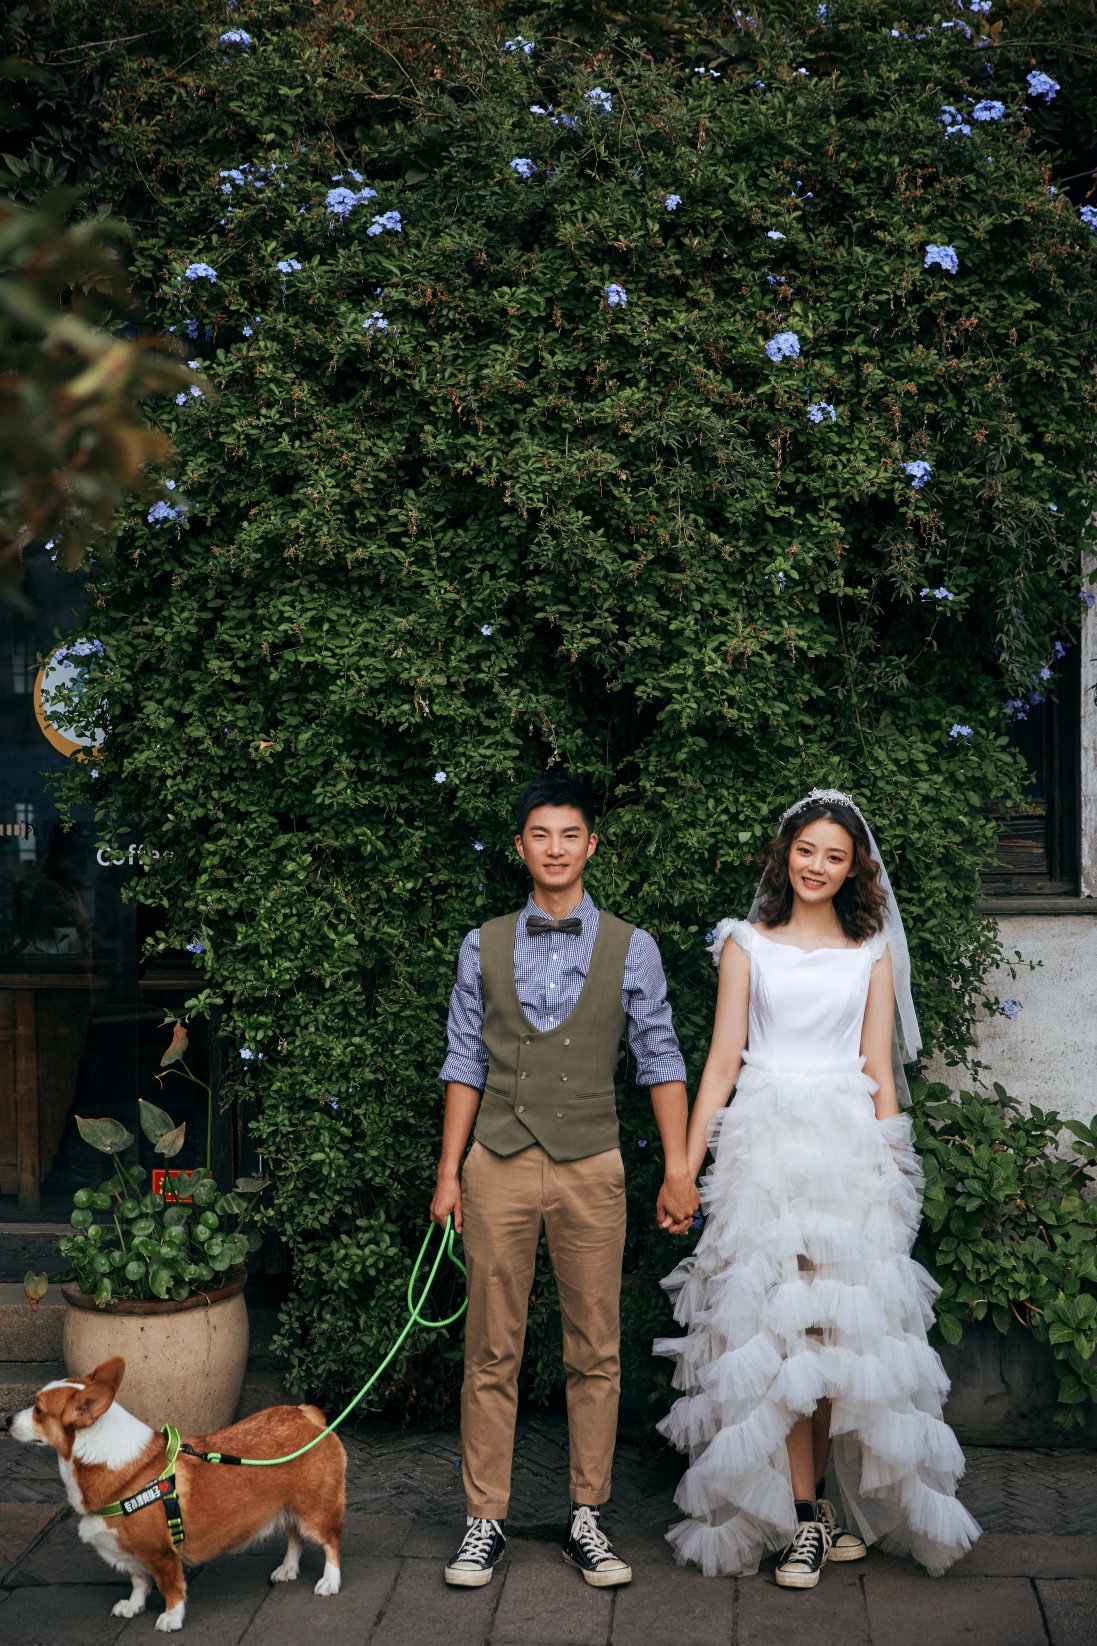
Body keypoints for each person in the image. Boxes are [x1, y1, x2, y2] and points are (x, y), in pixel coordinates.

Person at [656, 788, 981, 1589]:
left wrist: (894, 1171)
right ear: (785, 854)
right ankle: (803, 1519)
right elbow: (721, 1063)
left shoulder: (870, 953)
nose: (816, 866)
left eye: (833, 857)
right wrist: (683, 1169)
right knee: (780, 1334)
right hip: (763, 1147)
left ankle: (820, 1506)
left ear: (851, 869)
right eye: (806, 851)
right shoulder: (745, 945)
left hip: (844, 1148)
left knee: (834, 1335)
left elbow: (879, 1070)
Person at [430, 771, 699, 1590]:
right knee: (490, 1349)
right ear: (520, 847)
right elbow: (463, 1061)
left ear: (590, 845)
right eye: (540, 835)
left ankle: (587, 1516)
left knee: (595, 1348)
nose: (554, 849)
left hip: (593, 1165)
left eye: (569, 835)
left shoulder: (632, 946)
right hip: (496, 1162)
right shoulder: (481, 944)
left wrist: (678, 1169)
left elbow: (660, 1059)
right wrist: (448, 1173)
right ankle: (483, 1520)